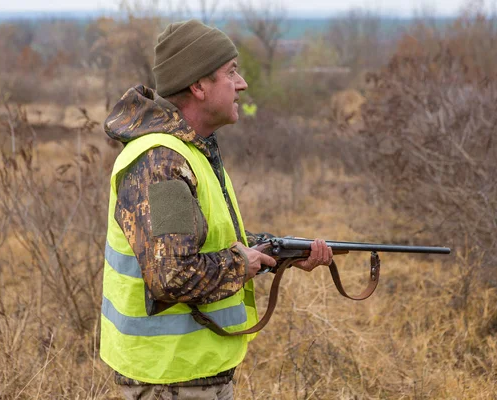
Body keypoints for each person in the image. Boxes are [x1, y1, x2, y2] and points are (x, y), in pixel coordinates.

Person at [100, 20, 333, 400]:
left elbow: (206, 241)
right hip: (169, 378)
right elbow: (172, 275)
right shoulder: (162, 162)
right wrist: (243, 264)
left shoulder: (192, 150)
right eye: (231, 73)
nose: (241, 84)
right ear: (198, 85)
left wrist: (281, 251)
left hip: (190, 373)